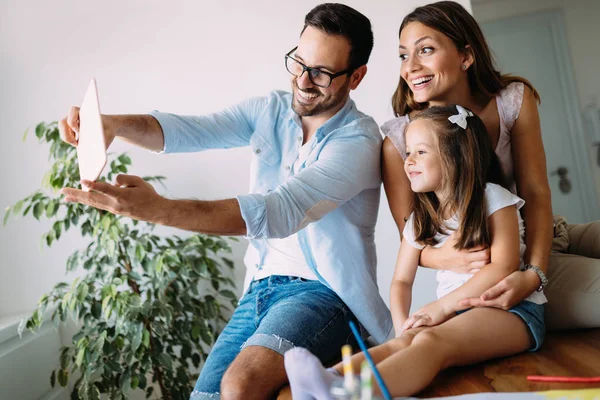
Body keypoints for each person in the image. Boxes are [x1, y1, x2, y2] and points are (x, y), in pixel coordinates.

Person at [58, 4, 393, 399]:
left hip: (324, 295)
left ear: (356, 76)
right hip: (259, 289)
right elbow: (191, 131)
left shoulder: (358, 140)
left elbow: (279, 211)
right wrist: (113, 124)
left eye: (320, 72)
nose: (302, 80)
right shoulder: (269, 110)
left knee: (239, 386)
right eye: (298, 62)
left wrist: (158, 210)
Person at [284, 105, 547, 399]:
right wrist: (402, 327)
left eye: (420, 152)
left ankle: (352, 394)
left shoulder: (493, 198)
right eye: (408, 152)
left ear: (457, 155)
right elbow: (401, 282)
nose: (408, 161)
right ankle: (326, 380)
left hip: (510, 310)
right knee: (402, 343)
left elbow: (504, 266)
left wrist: (442, 308)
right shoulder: (420, 219)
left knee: (430, 341)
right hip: (456, 315)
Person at [380, 0, 600, 330]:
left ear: (466, 56)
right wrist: (454, 259)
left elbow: (536, 194)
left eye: (424, 50)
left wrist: (535, 273)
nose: (409, 66)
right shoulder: (400, 143)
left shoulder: (512, 100)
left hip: (547, 234)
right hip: (502, 264)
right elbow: (412, 240)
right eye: (403, 55)